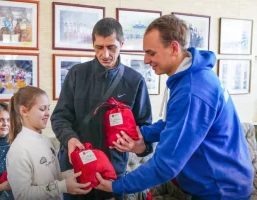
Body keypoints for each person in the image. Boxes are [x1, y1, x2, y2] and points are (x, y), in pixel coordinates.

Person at [95, 14, 254, 199]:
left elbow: (165, 165)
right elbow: (173, 123)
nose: (146, 60)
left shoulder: (192, 91)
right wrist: (141, 134)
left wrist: (116, 186)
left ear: (173, 48)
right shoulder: (191, 78)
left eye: (151, 53)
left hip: (221, 192)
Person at [51, 17, 153, 199]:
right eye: (99, 47)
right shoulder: (76, 74)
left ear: (122, 43)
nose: (105, 54)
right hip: (76, 172)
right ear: (93, 45)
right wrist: (69, 138)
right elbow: (59, 117)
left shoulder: (135, 81)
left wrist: (139, 147)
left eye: (111, 47)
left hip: (112, 174)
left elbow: (145, 129)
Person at [6, 86, 92, 200]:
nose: (47, 114)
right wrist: (63, 186)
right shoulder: (19, 150)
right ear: (24, 111)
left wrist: (76, 172)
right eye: (42, 109)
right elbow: (22, 195)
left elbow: (52, 177)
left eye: (48, 109)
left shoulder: (46, 140)